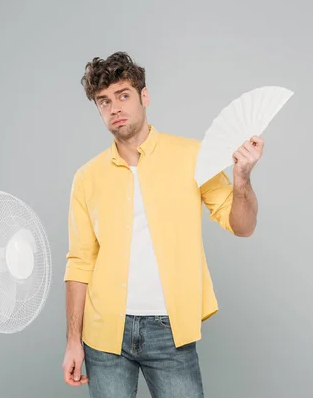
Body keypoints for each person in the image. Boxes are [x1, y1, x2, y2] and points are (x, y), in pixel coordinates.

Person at [61, 51, 263, 397]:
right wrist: (73, 342)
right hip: (104, 333)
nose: (115, 108)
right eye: (104, 101)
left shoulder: (193, 156)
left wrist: (242, 179)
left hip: (169, 330)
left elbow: (242, 226)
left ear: (144, 96)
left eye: (123, 95)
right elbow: (80, 262)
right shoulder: (86, 178)